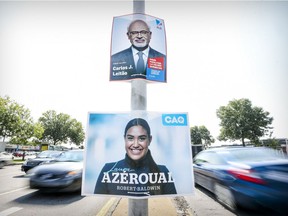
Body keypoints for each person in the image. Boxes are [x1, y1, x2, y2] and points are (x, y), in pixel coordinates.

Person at [94, 118, 177, 196]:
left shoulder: (163, 172)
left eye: (142, 138)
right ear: (124, 139)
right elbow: (98, 203)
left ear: (150, 140)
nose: (136, 144)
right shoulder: (108, 170)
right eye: (130, 138)